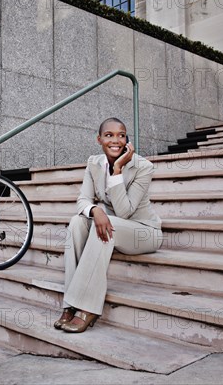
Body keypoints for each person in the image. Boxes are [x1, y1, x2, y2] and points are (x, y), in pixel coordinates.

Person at [54, 117, 162, 333]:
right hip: (112, 225)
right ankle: (71, 303)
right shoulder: (94, 163)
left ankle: (88, 307)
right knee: (77, 222)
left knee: (106, 224)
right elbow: (82, 200)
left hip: (143, 231)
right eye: (109, 135)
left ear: (127, 140)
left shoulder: (143, 167)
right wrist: (95, 210)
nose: (116, 140)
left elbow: (125, 211)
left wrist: (118, 170)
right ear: (99, 139)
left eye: (121, 135)